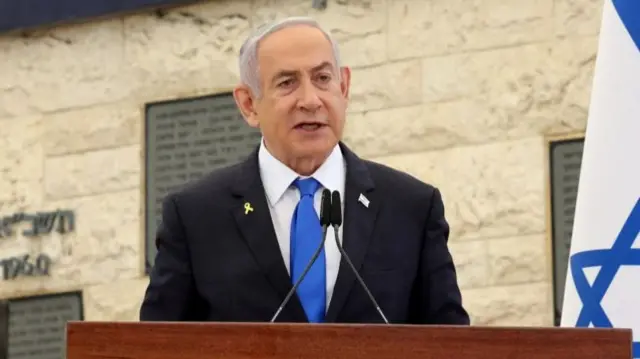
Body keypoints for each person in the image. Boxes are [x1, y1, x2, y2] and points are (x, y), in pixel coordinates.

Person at [139, 16, 470, 325]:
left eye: (323, 79)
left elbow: (451, 343)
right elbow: (154, 347)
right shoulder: (195, 216)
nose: (310, 100)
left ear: (344, 87)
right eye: (287, 82)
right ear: (248, 104)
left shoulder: (411, 207)